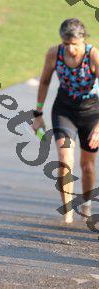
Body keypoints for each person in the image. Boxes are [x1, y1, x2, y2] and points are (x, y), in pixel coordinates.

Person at [33, 19, 99, 225]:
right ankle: (68, 211)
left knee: (87, 165)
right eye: (66, 43)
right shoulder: (55, 53)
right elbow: (44, 81)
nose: (70, 49)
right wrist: (38, 113)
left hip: (91, 112)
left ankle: (86, 203)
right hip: (64, 110)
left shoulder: (93, 55)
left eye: (75, 44)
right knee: (64, 162)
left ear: (83, 39)